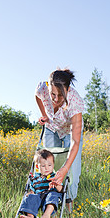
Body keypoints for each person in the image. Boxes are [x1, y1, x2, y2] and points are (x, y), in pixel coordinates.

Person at [35, 68, 84, 208]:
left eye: (60, 96)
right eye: (52, 94)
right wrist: (44, 114)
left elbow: (75, 142)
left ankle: (68, 205)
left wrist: (65, 168)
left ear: (67, 90)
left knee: (71, 169)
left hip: (70, 131)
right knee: (48, 164)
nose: (55, 99)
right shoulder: (43, 88)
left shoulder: (75, 102)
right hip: (52, 126)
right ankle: (50, 202)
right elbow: (37, 95)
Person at [19, 149, 63, 218]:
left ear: (53, 165)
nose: (46, 168)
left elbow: (61, 190)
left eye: (49, 165)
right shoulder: (34, 178)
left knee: (53, 195)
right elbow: (32, 189)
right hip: (39, 198)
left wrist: (56, 185)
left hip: (50, 198)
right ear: (37, 166)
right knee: (30, 197)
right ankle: (30, 217)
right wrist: (31, 193)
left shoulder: (55, 177)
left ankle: (46, 214)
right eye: (43, 166)